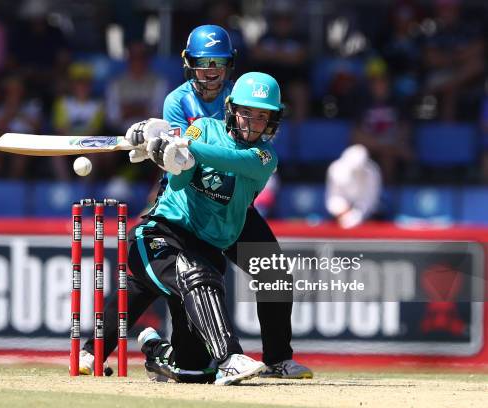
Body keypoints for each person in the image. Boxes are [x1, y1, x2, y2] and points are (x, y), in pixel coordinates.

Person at [81, 25, 312, 382]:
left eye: (218, 62)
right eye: (203, 62)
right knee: (153, 277)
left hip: (230, 204)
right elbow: (178, 161)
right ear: (189, 63)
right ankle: (92, 351)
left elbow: (232, 156)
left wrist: (182, 145)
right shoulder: (180, 102)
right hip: (187, 200)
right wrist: (160, 145)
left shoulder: (245, 108)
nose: (211, 69)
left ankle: (277, 358)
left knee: (272, 273)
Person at [326, 144, 382, 229]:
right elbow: (333, 197)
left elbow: (370, 200)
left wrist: (357, 215)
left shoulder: (372, 173)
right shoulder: (335, 169)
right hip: (339, 216)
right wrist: (342, 210)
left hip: (367, 216)